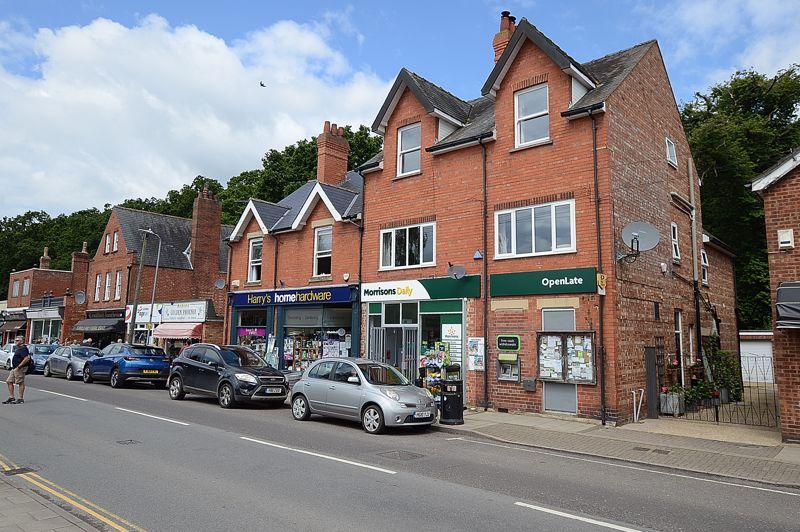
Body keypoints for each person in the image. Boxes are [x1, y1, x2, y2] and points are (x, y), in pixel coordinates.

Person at [4, 336, 30, 404]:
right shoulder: (19, 348)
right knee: (9, 381)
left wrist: (19, 366)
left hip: (20, 368)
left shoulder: (24, 348)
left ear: (22, 341)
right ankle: (11, 397)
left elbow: (26, 358)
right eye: (15, 340)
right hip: (14, 368)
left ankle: (20, 398)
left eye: (18, 340)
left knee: (20, 382)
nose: (16, 341)